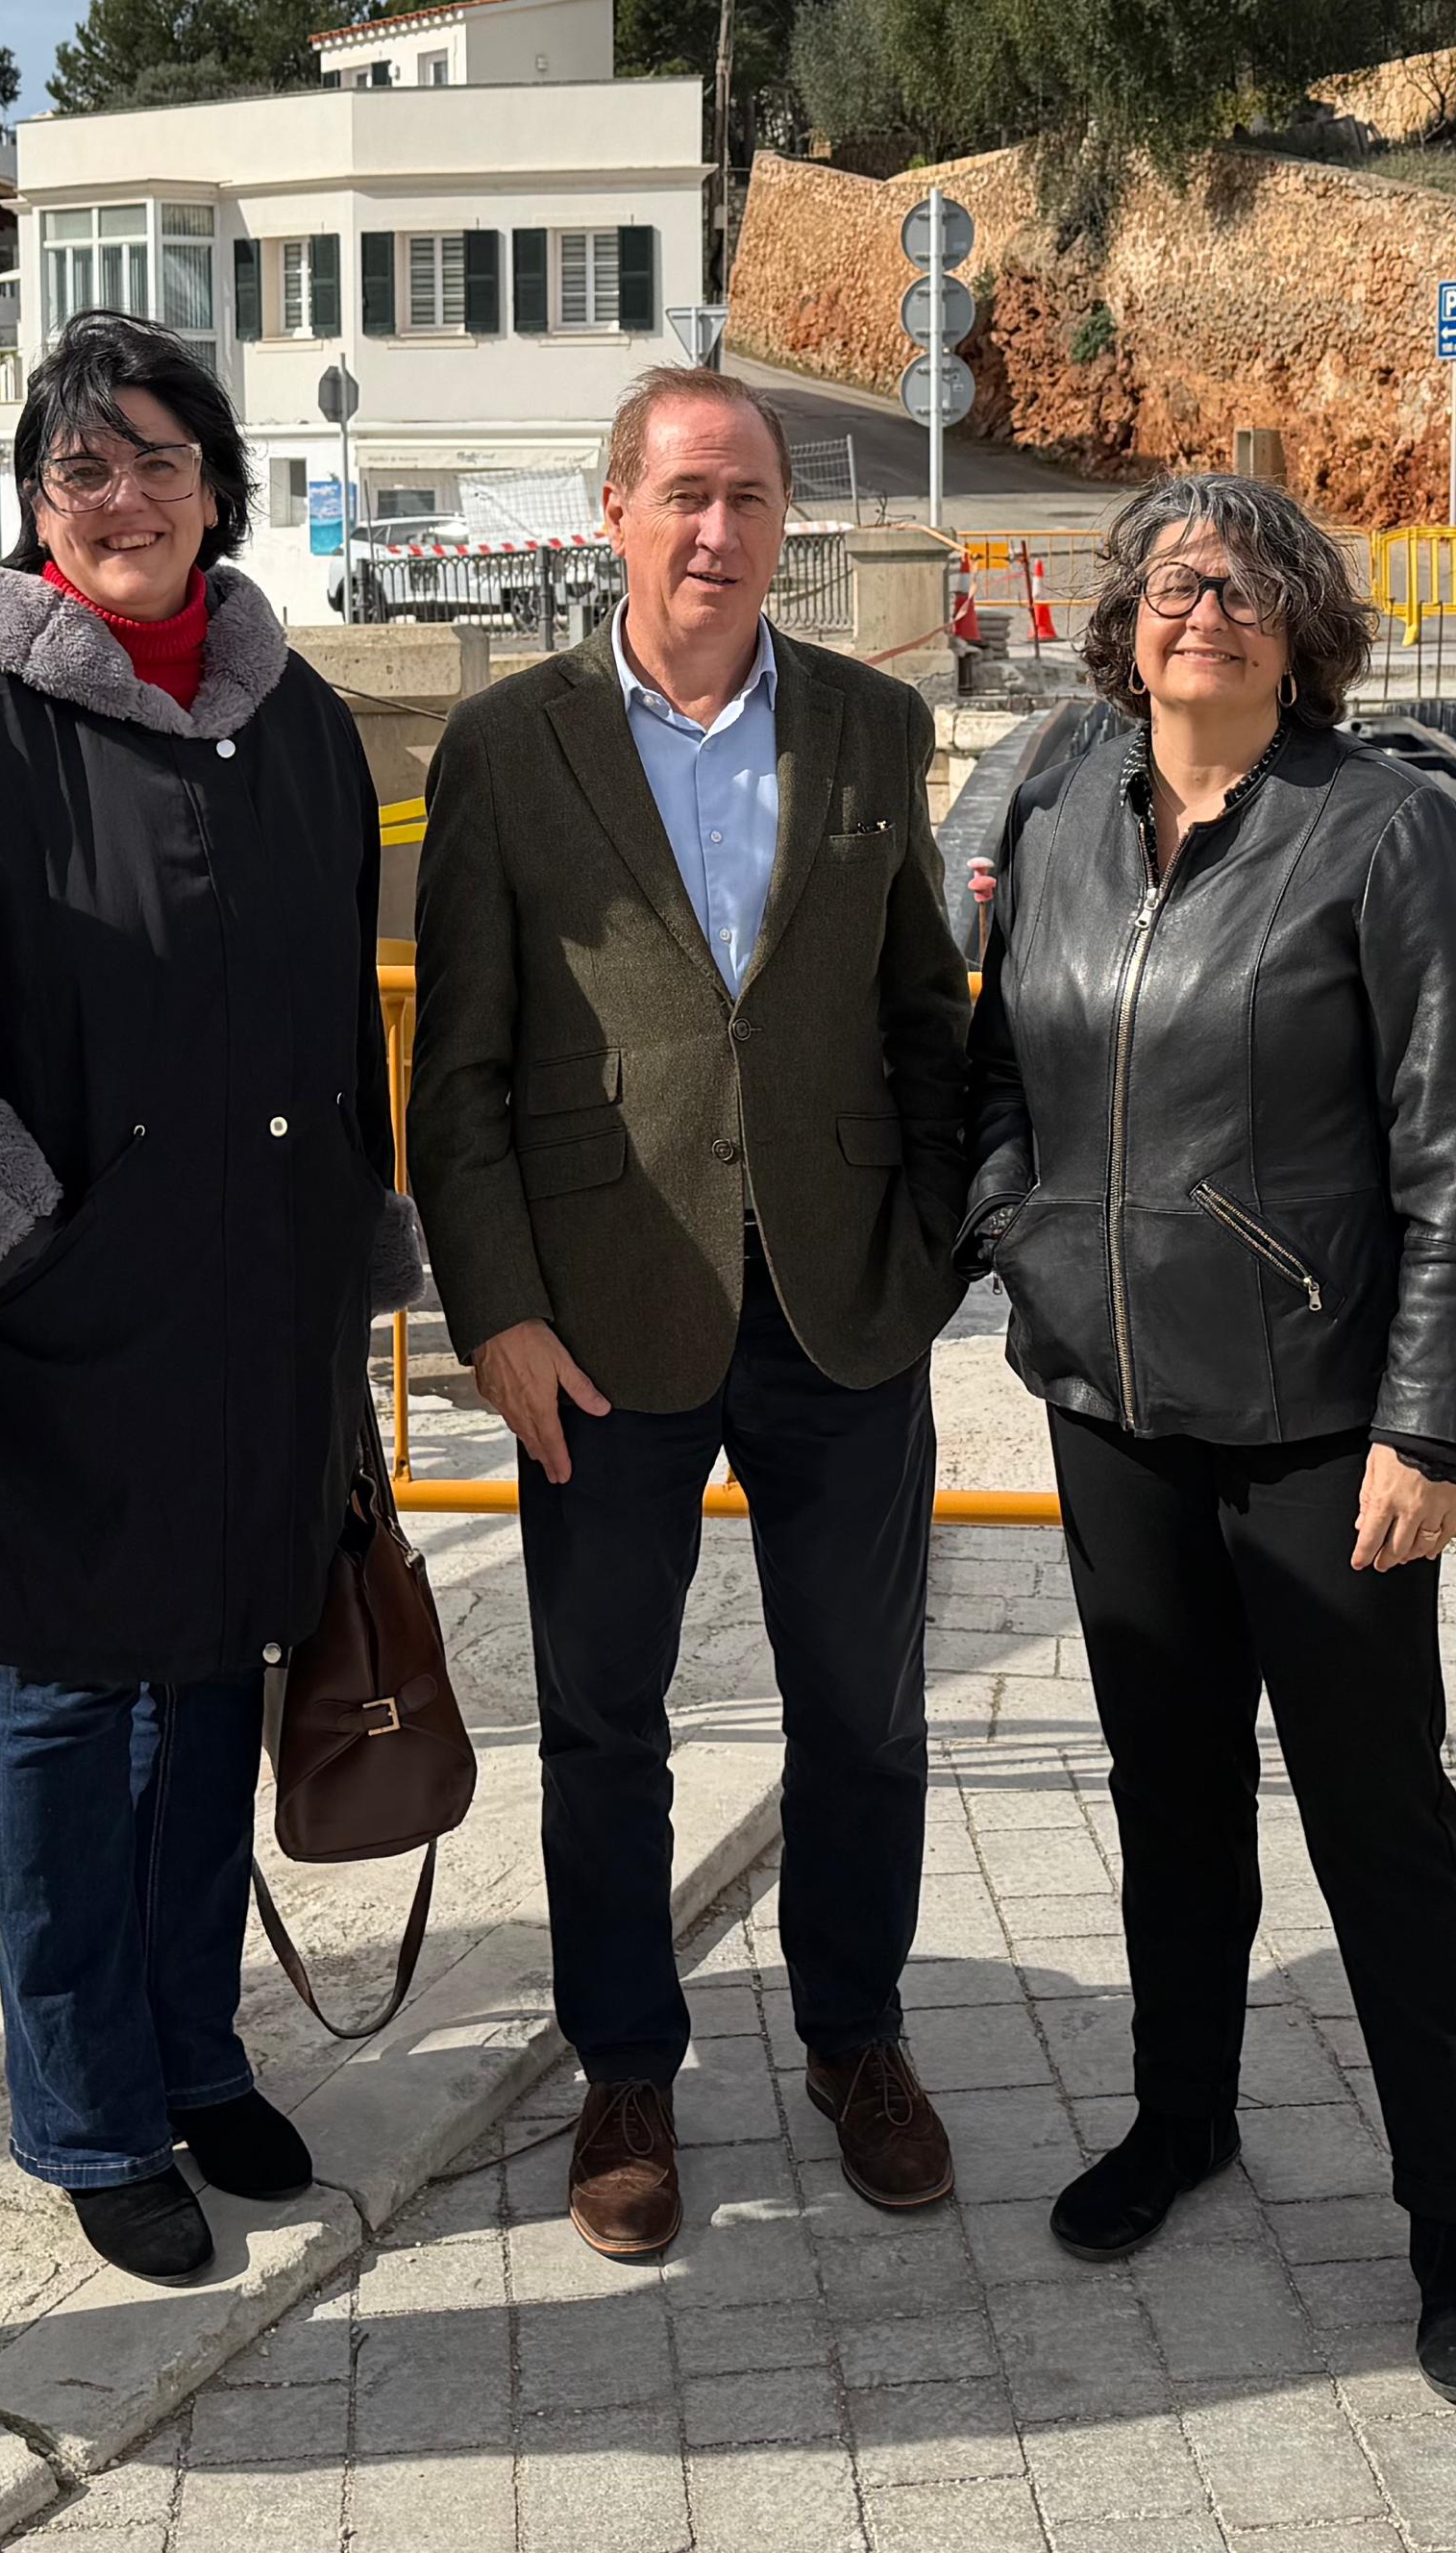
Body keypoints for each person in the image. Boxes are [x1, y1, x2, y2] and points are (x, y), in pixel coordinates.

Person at [0, 311, 408, 2284]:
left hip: (260, 1306)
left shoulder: (293, 720)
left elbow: (336, 1020)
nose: (124, 495)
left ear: (218, 489)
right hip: (57, 1317)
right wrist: (12, 1253)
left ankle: (193, 2049)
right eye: (83, 466)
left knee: (219, 1678)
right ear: (35, 505)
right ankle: (85, 2109)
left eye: (160, 458)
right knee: (76, 1709)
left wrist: (353, 1254)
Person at [959, 471, 1456, 2412]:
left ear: (1304, 633)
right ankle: (1180, 2114)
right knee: (1170, 1796)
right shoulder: (1059, 810)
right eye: (1170, 582)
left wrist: (1428, 1425)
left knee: (1380, 1823)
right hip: (1111, 1399)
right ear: (1121, 624)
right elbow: (998, 1067)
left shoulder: (1385, 833)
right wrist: (1019, 1230)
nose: (1201, 609)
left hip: (1320, 1424)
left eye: (1244, 586)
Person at [410, 366, 975, 2258]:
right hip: (598, 1316)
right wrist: (495, 1311)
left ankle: (855, 2036)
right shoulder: (510, 746)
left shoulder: (873, 727)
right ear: (615, 514)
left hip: (841, 1305)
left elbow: (924, 1014)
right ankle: (625, 2071)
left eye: (747, 497)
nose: (717, 532)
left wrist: (931, 1255)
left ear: (781, 518)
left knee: (862, 1711)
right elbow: (459, 1070)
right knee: (602, 1721)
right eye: (683, 496)